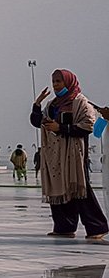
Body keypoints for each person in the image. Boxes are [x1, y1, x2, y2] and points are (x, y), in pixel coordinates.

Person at [31, 69, 108, 241]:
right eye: (54, 81)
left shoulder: (81, 103)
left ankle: (97, 227)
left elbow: (88, 126)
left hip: (74, 154)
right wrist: (37, 104)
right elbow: (37, 122)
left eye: (59, 81)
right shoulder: (52, 104)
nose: (56, 84)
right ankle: (64, 226)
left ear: (68, 81)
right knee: (59, 189)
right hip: (55, 155)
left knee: (79, 189)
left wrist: (61, 128)